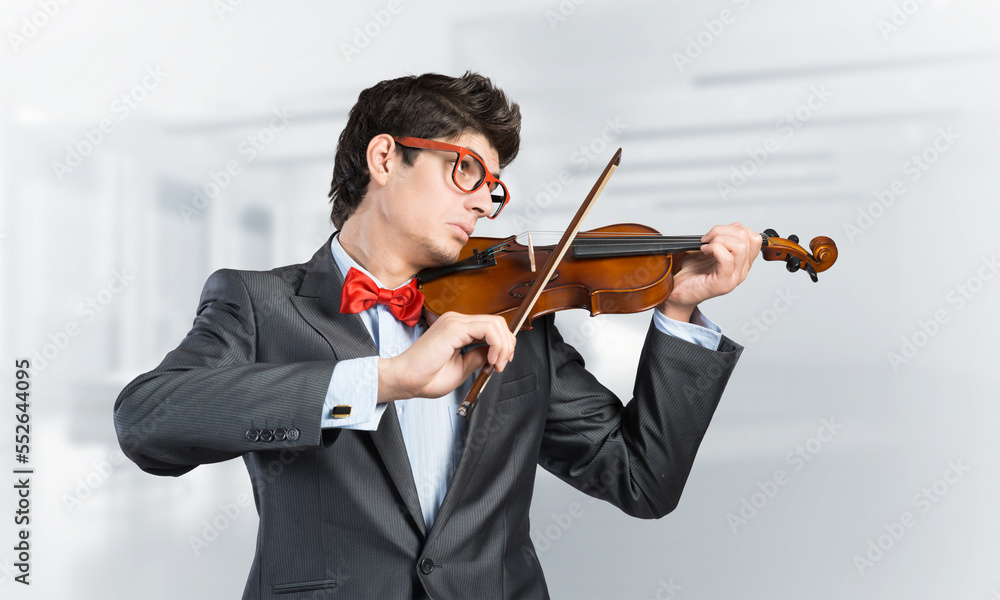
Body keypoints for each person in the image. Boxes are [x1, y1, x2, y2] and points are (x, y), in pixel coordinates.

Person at [114, 71, 761, 600]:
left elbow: (640, 482)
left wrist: (677, 314)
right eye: (467, 171)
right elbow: (148, 422)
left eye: (495, 187)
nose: (485, 202)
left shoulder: (517, 319)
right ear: (386, 157)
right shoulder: (260, 304)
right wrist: (384, 379)